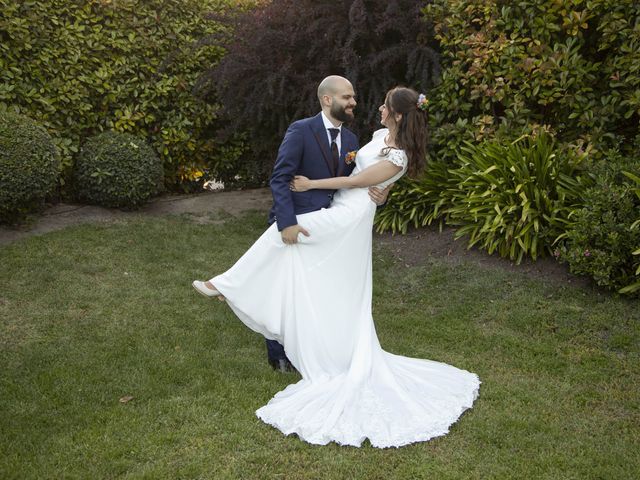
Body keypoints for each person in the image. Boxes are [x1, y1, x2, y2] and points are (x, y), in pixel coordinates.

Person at [192, 86, 480, 448]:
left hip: (351, 215)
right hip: (340, 208)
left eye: (385, 105)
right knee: (301, 257)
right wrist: (384, 187)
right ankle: (271, 313)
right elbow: (366, 169)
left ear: (399, 114)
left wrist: (314, 183)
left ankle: (227, 283)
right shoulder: (377, 137)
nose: (377, 107)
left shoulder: (399, 155)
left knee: (288, 233)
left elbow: (359, 180)